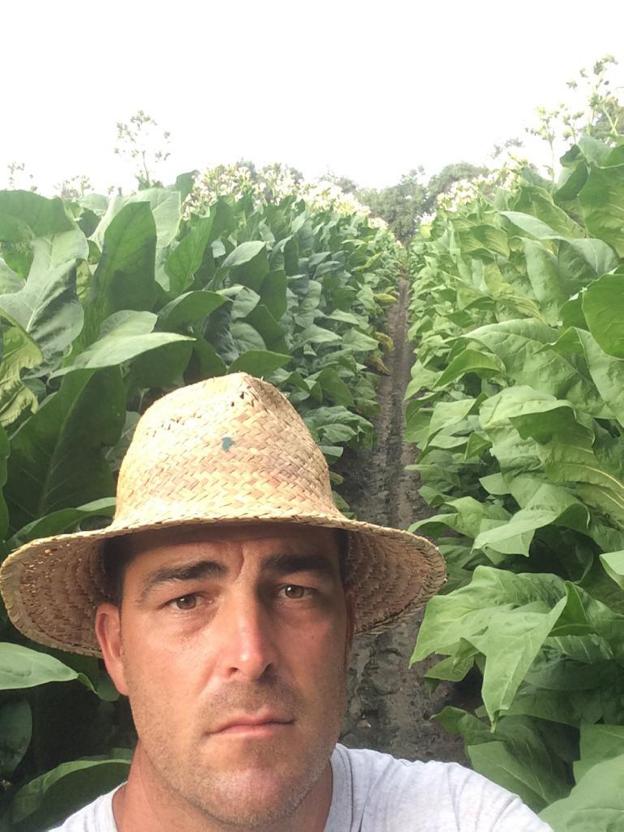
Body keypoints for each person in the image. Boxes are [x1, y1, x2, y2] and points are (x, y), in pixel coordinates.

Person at [0, 373, 551, 831]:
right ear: (116, 648)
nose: (251, 651)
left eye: (295, 592)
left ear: (347, 629)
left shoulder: (464, 816)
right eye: (188, 599)